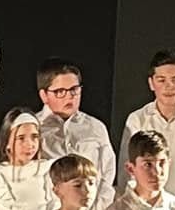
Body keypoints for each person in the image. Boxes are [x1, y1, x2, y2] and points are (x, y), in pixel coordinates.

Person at [118, 49, 175, 197]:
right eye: (161, 80)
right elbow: (127, 169)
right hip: (143, 204)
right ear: (151, 83)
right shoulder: (137, 118)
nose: (169, 86)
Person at [36, 56, 117, 192]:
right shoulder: (33, 128)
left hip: (89, 208)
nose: (70, 96)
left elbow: (107, 173)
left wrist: (95, 209)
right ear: (44, 95)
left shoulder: (95, 127)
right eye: (60, 92)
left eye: (74, 89)